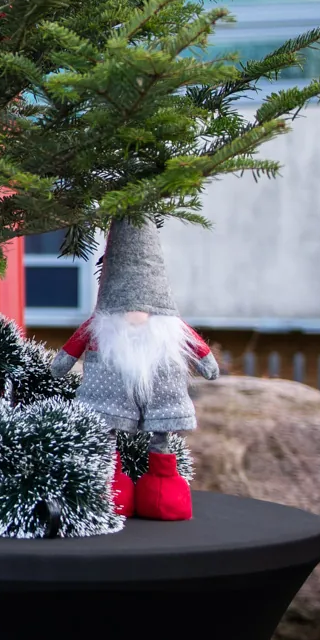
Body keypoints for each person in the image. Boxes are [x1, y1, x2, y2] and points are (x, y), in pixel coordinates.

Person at [50, 218, 220, 521]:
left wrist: (208, 365)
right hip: (108, 390)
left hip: (161, 389)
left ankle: (162, 483)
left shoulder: (170, 327)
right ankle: (110, 484)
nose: (136, 313)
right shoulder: (102, 326)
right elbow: (70, 351)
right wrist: (61, 363)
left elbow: (200, 351)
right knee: (107, 433)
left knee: (162, 435)